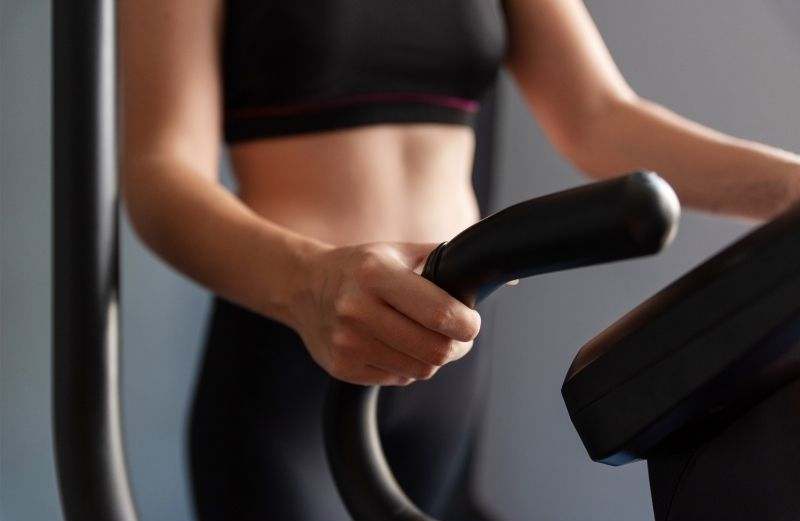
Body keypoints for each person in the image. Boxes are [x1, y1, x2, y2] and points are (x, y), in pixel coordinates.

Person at [118, 0, 800, 519]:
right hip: (295, 358)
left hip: (445, 365)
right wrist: (307, 283)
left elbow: (599, 116)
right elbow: (160, 174)